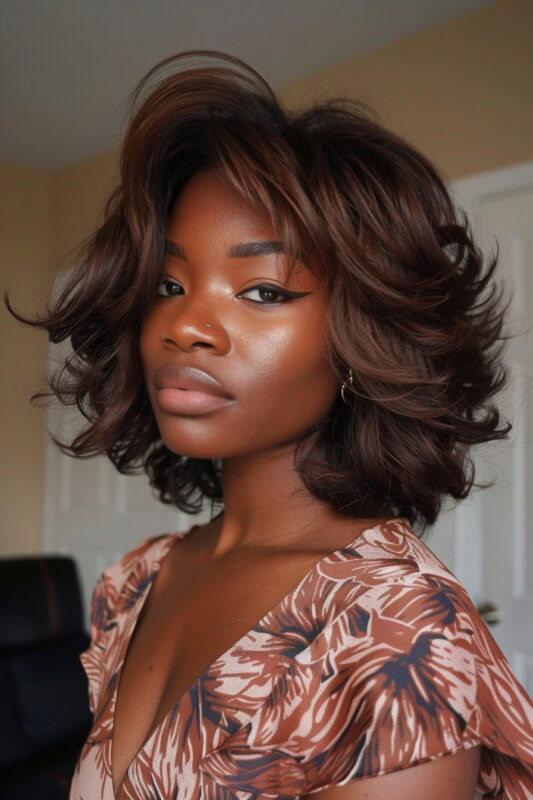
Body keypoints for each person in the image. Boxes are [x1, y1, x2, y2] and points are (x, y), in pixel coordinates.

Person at [6, 49, 533, 800]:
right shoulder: (134, 579)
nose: (186, 324)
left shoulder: (396, 631)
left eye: (260, 289)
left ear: (362, 335)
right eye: (168, 282)